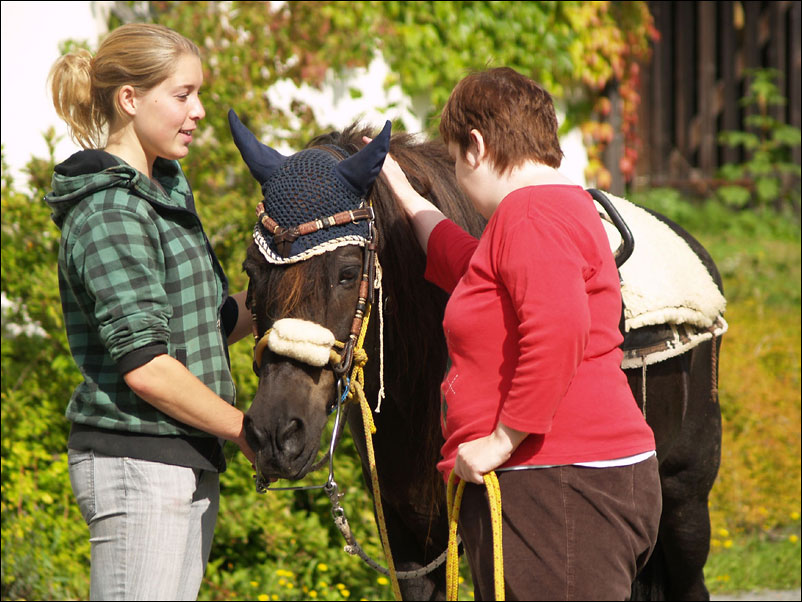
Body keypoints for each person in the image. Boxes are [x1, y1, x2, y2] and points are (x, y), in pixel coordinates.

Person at [378, 67, 662, 600]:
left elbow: (559, 327)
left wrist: (502, 440)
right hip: (569, 482)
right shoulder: (557, 208)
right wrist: (405, 195)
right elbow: (473, 272)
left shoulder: (528, 214)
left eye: (455, 159)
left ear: (476, 146)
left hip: (559, 484)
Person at [45, 23, 255, 601]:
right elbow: (147, 365)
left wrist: (287, 291)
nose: (200, 111)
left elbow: (205, 326)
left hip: (182, 456)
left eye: (198, 94)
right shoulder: (110, 211)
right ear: (129, 99)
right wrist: (246, 431)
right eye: (183, 95)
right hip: (137, 462)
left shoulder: (161, 195)